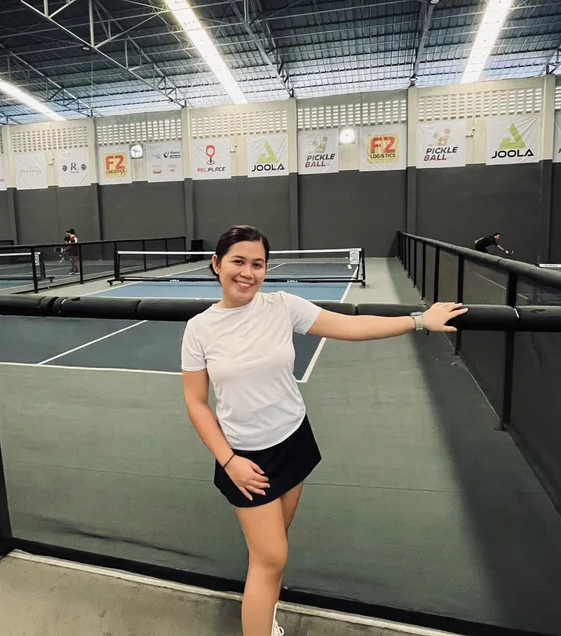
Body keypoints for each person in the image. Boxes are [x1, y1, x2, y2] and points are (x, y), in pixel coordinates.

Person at [181, 225, 467, 636]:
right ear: (216, 264)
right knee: (271, 558)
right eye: (238, 261)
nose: (247, 272)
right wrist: (229, 462)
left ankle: (264, 616)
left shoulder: (282, 306)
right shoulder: (199, 329)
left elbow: (351, 327)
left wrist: (419, 320)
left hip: (293, 440)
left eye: (257, 264)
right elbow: (196, 402)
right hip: (245, 459)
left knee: (272, 551)